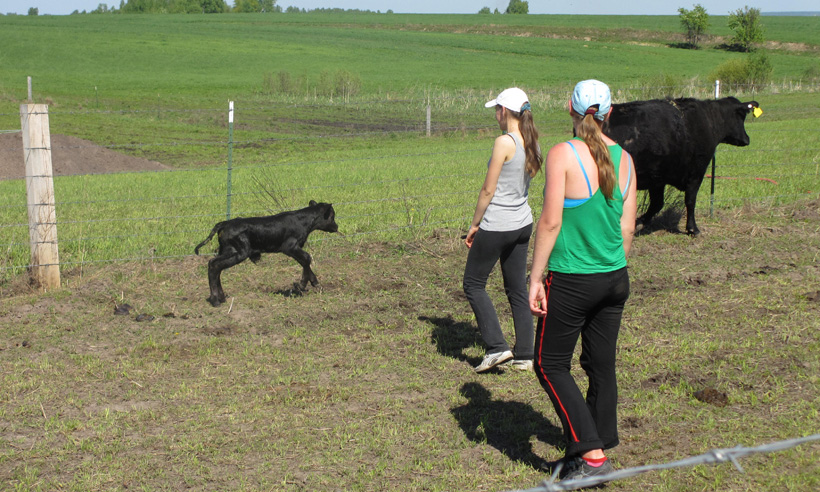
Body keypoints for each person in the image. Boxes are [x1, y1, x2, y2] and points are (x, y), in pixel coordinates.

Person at [527, 80, 637, 481]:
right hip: (615, 278)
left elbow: (550, 222)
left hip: (573, 280)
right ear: (610, 113)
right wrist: (610, 268)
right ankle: (597, 444)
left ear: (570, 109)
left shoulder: (563, 154)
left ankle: (592, 456)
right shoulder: (626, 159)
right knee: (600, 363)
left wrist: (535, 278)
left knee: (549, 364)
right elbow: (627, 229)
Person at [464, 87, 543, 373]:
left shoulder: (503, 142)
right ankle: (525, 354)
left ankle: (496, 347)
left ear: (505, 111)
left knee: (473, 284)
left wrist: (475, 224)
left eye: (496, 110)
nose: (495, 115)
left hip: (498, 224)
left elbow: (488, 190)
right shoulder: (532, 141)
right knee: (517, 288)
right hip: (522, 223)